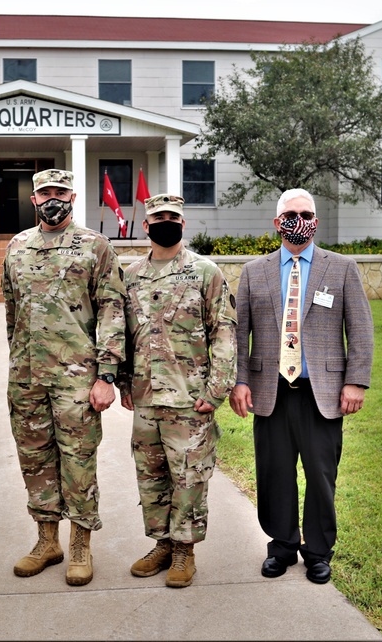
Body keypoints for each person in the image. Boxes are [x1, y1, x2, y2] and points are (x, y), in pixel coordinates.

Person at [229, 188, 374, 585]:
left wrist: (356, 382)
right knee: (275, 473)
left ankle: (317, 552)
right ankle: (281, 545)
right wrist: (239, 380)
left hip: (322, 393)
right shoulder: (254, 271)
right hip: (269, 390)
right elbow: (240, 334)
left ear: (316, 220)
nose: (299, 220)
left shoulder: (341, 268)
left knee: (321, 474)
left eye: (306, 213)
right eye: (291, 214)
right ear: (277, 223)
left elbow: (359, 329)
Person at [1, 168, 125, 586]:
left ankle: (80, 543)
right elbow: (11, 311)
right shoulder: (17, 246)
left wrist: (107, 374)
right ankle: (47, 540)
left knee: (77, 461)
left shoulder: (95, 245)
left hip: (77, 376)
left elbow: (111, 309)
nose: (52, 198)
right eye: (45, 192)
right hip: (27, 375)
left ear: (73, 196)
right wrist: (16, 361)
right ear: (34, 199)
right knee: (34, 459)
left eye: (60, 191)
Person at [117, 194, 236, 588]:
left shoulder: (205, 272)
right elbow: (122, 334)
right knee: (150, 475)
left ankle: (185, 550)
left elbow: (223, 331)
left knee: (189, 476)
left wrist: (217, 389)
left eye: (173, 216)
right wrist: (123, 382)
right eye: (157, 217)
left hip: (189, 397)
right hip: (146, 396)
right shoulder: (130, 274)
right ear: (145, 225)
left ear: (183, 224)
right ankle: (163, 543)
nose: (165, 222)